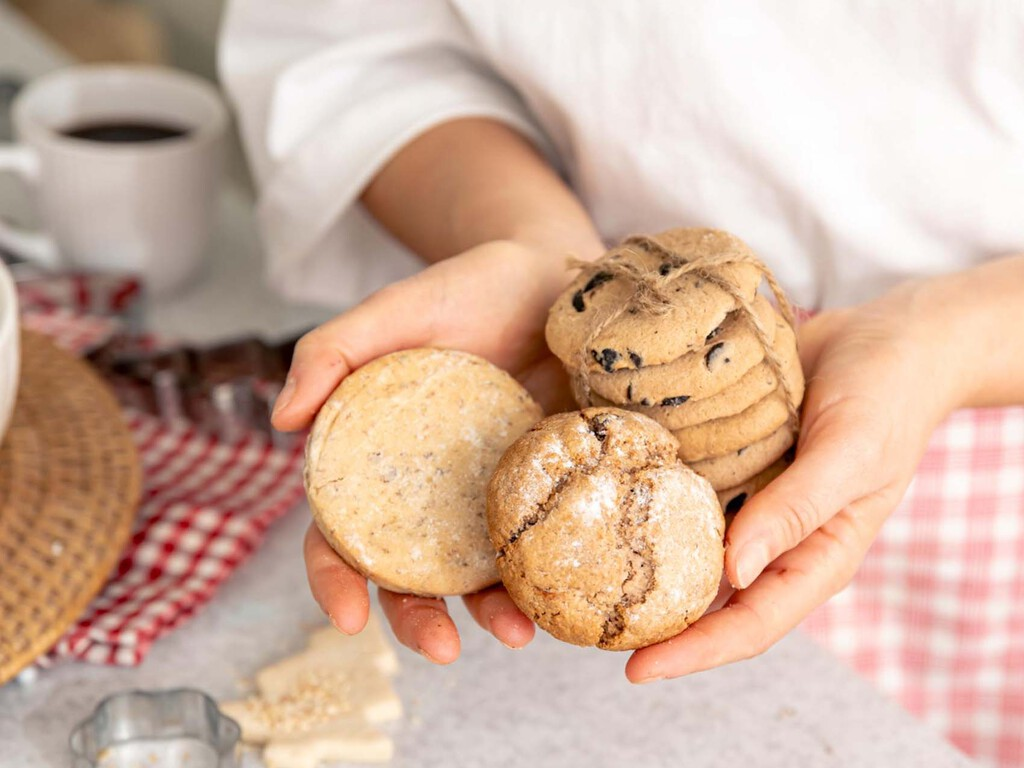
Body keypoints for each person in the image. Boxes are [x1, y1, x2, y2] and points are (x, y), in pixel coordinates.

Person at [219, 1, 1024, 689]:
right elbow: (359, 50)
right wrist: (533, 239)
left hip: (979, 457)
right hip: (556, 366)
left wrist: (945, 344)